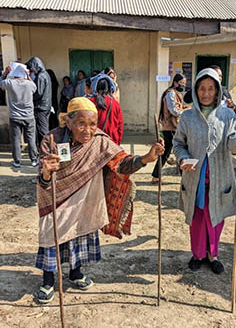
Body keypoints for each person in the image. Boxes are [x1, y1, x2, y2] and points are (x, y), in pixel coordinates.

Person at [36, 97, 164, 303]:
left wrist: (146, 158)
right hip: (55, 197)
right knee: (53, 235)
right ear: (67, 122)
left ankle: (75, 273)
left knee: (78, 233)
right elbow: (42, 179)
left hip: (84, 197)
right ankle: (48, 280)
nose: (88, 130)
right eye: (81, 124)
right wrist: (46, 172)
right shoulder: (52, 140)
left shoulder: (100, 141)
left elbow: (122, 164)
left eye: (92, 124)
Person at [173, 68, 236, 274]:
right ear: (196, 90)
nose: (206, 93)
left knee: (216, 218)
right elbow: (178, 143)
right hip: (195, 178)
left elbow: (233, 145)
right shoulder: (187, 117)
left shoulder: (227, 115)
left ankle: (213, 254)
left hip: (219, 178)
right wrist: (182, 158)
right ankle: (198, 254)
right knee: (198, 218)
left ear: (217, 91)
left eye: (210, 89)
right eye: (202, 89)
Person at [151, 73, 189, 184]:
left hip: (173, 127)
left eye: (184, 84)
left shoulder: (175, 93)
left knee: (167, 151)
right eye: (181, 83)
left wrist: (184, 107)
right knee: (178, 150)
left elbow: (177, 108)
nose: (183, 86)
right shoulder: (171, 94)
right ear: (175, 83)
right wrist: (186, 111)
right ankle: (182, 176)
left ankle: (156, 175)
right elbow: (174, 111)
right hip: (170, 127)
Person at [0, 64, 39, 167]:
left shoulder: (10, 83)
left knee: (16, 140)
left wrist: (5, 73)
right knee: (31, 139)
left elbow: (1, 83)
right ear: (25, 74)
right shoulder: (30, 84)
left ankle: (17, 162)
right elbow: (34, 88)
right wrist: (28, 75)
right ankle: (34, 160)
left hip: (15, 117)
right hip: (29, 117)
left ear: (14, 74)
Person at [26, 57, 52, 146]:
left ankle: (47, 149)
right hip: (46, 105)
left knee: (42, 130)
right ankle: (44, 149)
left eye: (31, 68)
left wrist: (30, 97)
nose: (31, 70)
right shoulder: (46, 74)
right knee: (43, 128)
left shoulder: (41, 76)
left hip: (41, 106)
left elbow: (39, 93)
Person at [90, 77, 123, 145]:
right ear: (109, 88)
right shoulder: (115, 104)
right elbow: (120, 125)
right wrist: (118, 141)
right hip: (112, 139)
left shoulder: (91, 102)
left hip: (94, 140)